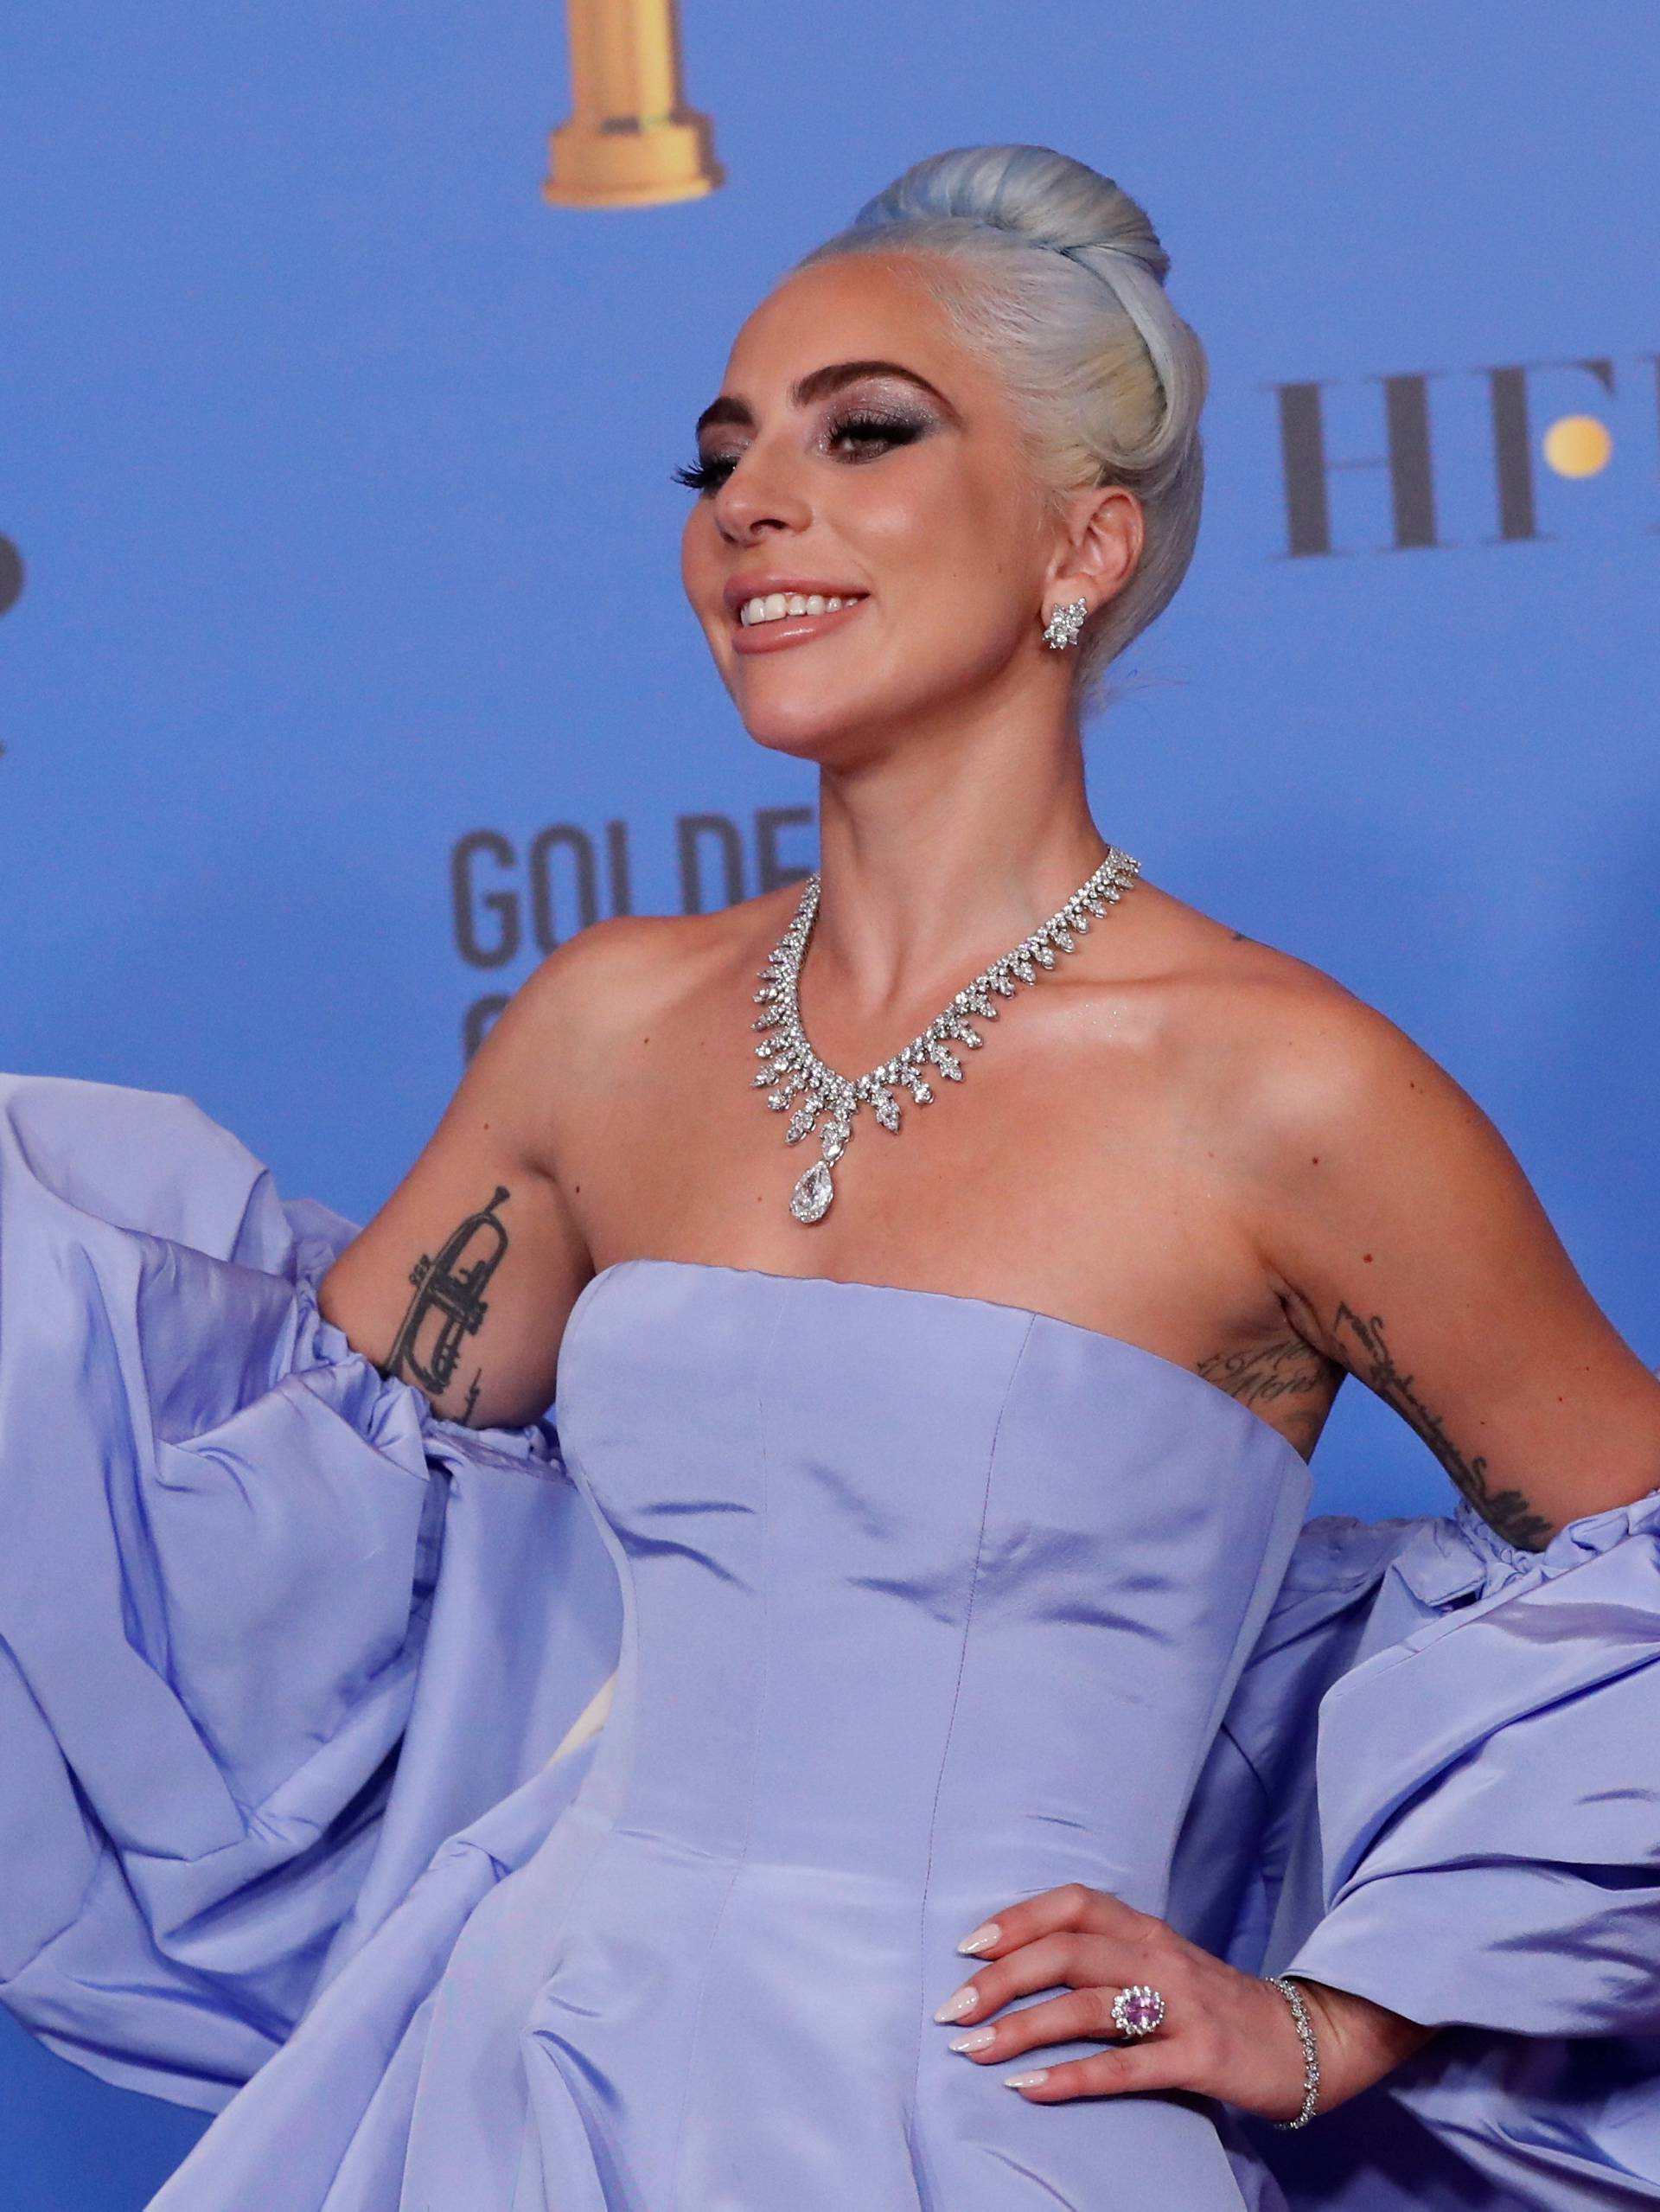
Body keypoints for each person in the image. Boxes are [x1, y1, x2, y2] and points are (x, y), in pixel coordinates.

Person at [3, 143, 1659, 2212]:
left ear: (1087, 539)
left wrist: (1330, 2020)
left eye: (863, 432)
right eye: (715, 461)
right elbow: (246, 1525)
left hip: (983, 2127)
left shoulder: (1284, 1089)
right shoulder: (604, 1027)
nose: (750, 510)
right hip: (526, 2091)